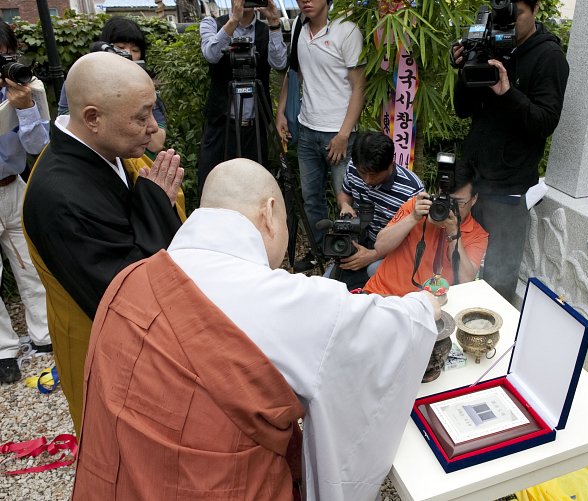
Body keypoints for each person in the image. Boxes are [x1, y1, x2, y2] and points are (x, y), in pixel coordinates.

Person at [72, 158, 439, 501]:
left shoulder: (130, 279)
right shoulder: (277, 296)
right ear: (269, 213)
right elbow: (382, 328)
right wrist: (426, 305)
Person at [22, 51, 184, 433]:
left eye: (152, 112)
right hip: (100, 349)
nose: (152, 127)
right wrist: (156, 204)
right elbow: (126, 293)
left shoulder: (102, 148)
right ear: (92, 117)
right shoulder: (61, 195)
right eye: (141, 117)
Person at [451, 0, 569, 303]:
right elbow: (462, 109)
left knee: (497, 281)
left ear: (535, 8)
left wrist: (507, 91)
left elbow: (544, 122)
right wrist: (466, 69)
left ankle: (488, 345)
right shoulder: (489, 42)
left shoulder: (550, 57)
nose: (507, 24)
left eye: (515, 15)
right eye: (502, 15)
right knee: (458, 264)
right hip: (472, 181)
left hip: (509, 189)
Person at [277, 0, 366, 271]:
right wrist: (281, 113)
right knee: (311, 197)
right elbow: (293, 75)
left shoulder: (347, 31)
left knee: (346, 198)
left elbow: (359, 88)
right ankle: (318, 250)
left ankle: (348, 258)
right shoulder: (299, 30)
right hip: (307, 128)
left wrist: (343, 135)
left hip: (338, 134)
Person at [199, 0, 286, 190]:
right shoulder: (212, 24)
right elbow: (211, 54)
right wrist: (233, 21)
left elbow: (280, 64)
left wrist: (275, 23)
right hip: (221, 124)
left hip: (254, 127)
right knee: (214, 186)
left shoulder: (266, 30)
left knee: (254, 188)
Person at [0, 21, 50, 384]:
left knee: (30, 263)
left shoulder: (22, 89)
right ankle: (3, 350)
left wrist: (26, 107)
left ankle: (44, 336)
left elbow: (38, 147)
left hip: (14, 184)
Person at [364, 161, 489, 296]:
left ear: (474, 199)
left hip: (427, 307)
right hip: (382, 293)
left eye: (457, 202)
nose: (449, 206)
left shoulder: (477, 235)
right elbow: (380, 246)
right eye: (444, 199)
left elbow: (465, 280)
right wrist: (413, 218)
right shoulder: (417, 207)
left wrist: (453, 233)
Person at [58, 17, 168, 156]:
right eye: (120, 48)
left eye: (135, 49)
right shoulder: (80, 83)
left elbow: (156, 144)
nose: (128, 54)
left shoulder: (144, 88)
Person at [331, 131, 423, 289]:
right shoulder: (354, 167)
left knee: (372, 276)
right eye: (362, 173)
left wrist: (372, 256)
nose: (367, 180)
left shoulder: (412, 189)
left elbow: (411, 241)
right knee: (331, 283)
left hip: (393, 251)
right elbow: (344, 194)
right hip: (359, 241)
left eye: (373, 175)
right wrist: (345, 205)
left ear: (390, 165)